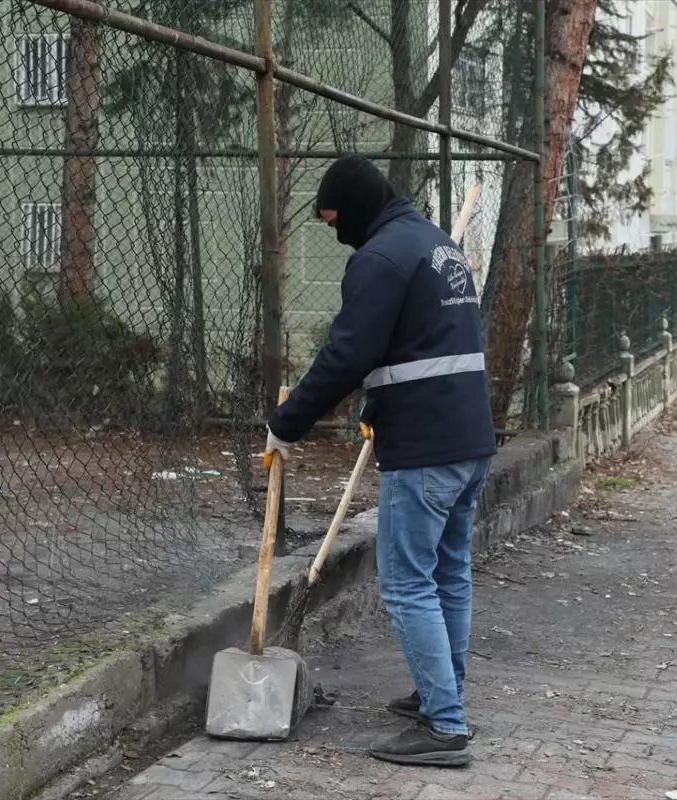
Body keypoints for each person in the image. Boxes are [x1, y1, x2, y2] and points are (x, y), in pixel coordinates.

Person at [265, 155, 496, 767]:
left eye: (336, 219)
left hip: (425, 447)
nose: (338, 233)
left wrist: (284, 423)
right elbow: (422, 343)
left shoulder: (380, 258)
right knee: (448, 572)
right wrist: (382, 397)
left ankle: (444, 727)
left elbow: (347, 353)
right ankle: (438, 693)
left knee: (405, 584)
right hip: (468, 438)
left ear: (356, 208)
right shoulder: (434, 244)